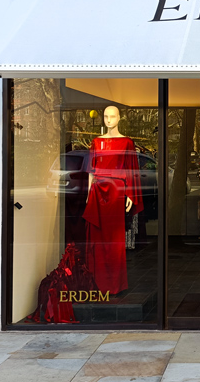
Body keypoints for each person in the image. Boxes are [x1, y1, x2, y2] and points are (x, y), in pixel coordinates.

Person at [82, 106, 144, 294]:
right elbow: (91, 170)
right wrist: (88, 194)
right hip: (97, 192)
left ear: (119, 118)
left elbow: (131, 169)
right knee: (97, 240)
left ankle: (114, 285)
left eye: (112, 116)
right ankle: (97, 284)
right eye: (106, 117)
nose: (109, 120)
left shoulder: (127, 143)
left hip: (116, 193)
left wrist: (130, 194)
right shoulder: (96, 142)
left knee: (115, 241)